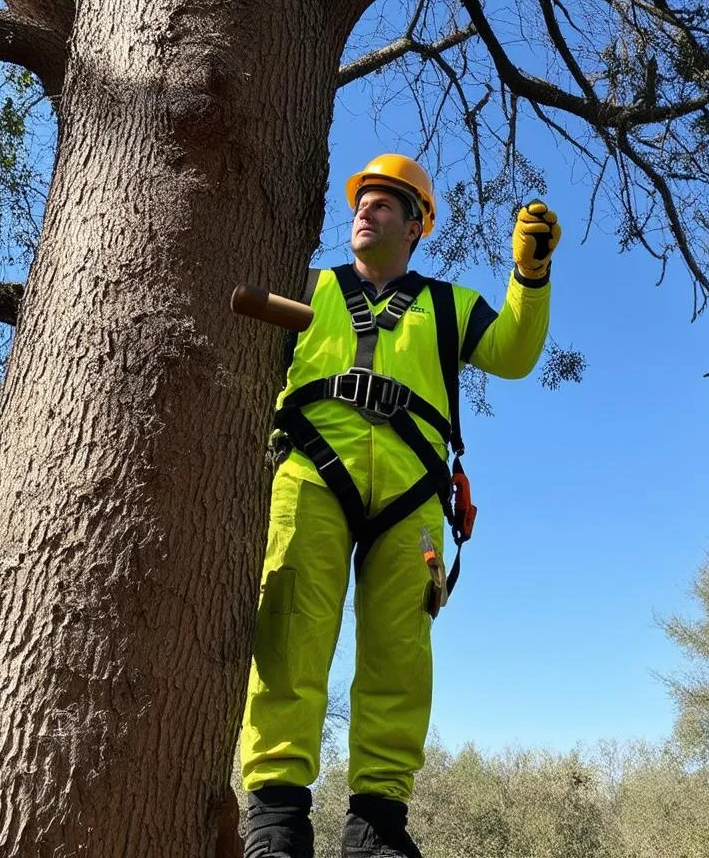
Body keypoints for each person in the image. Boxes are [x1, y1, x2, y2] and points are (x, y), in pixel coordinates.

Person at [239, 154, 560, 858]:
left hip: (414, 493)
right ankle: (274, 818)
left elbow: (512, 353)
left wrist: (530, 278)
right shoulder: (309, 288)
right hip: (311, 474)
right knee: (291, 634)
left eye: (384, 203)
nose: (366, 210)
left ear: (415, 226)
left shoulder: (450, 306)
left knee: (400, 657)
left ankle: (377, 827)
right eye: (363, 201)